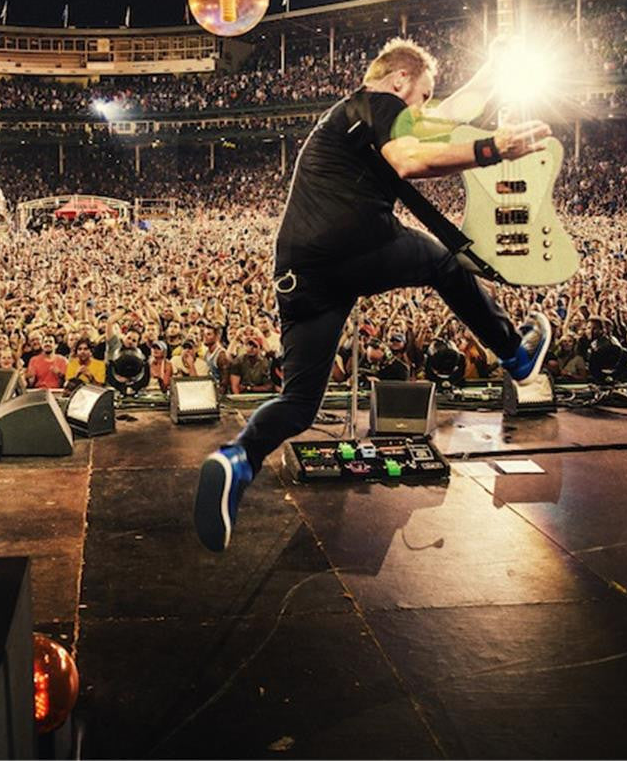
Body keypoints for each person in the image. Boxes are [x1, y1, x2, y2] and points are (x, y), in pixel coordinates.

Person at [193, 37, 554, 552]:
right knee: (444, 263)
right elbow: (410, 159)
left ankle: (237, 460)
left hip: (300, 269)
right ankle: (515, 355)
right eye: (422, 95)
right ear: (399, 81)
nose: (424, 107)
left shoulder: (352, 120)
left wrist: (492, 71)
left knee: (299, 403)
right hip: (353, 241)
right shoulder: (381, 103)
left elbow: (447, 117)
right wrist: (494, 148)